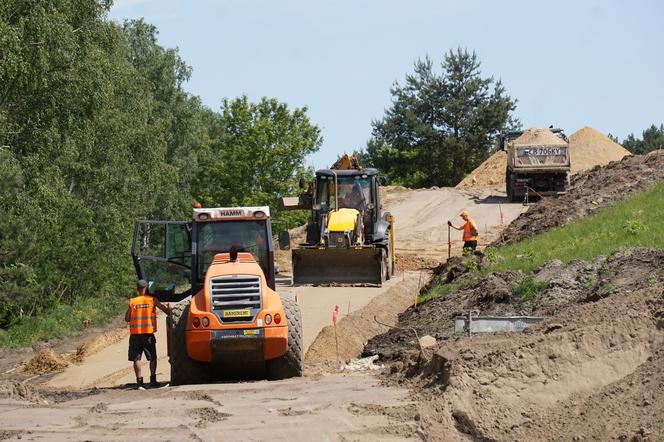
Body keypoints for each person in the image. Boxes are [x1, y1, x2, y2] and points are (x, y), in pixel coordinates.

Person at [125, 279, 171, 389]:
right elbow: (166, 311)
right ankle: (153, 380)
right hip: (148, 334)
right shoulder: (152, 300)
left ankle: (139, 383)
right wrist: (169, 308)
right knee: (152, 358)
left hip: (135, 335)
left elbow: (127, 318)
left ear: (137, 289)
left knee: (136, 358)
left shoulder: (133, 302)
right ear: (146, 288)